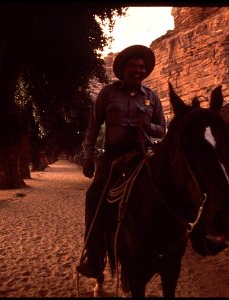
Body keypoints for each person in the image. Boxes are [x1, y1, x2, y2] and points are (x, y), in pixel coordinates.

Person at [76, 45, 166, 278]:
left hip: (142, 153)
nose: (138, 70)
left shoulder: (152, 97)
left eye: (141, 67)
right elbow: (94, 125)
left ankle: (164, 248)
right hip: (113, 155)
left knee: (165, 190)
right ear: (123, 69)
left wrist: (148, 126)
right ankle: (94, 257)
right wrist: (88, 156)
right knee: (94, 195)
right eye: (133, 66)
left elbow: (162, 130)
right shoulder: (108, 93)